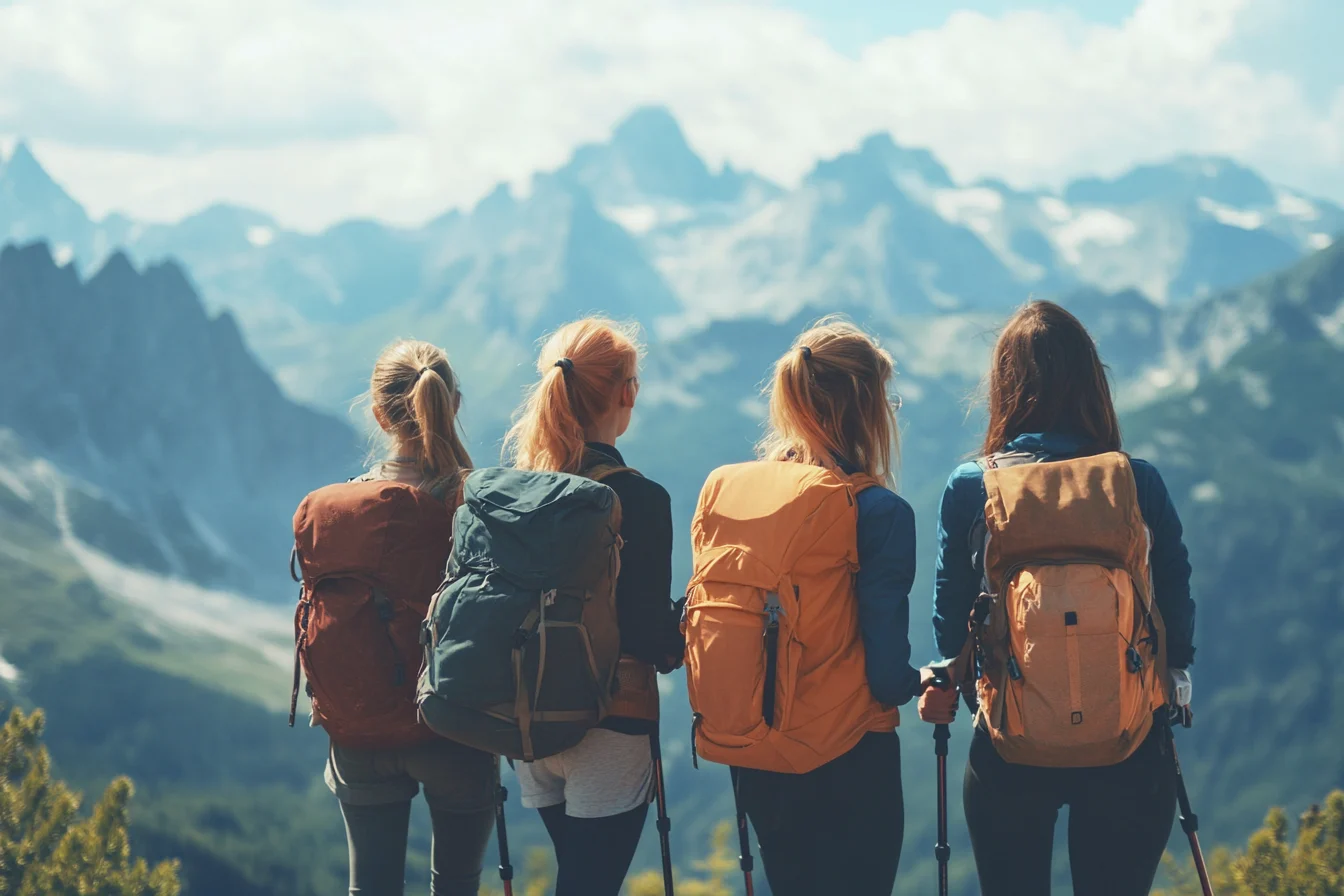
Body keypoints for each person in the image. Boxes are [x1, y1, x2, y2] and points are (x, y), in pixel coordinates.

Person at [919, 300, 1197, 896]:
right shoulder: (1135, 479)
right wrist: (1175, 676)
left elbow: (950, 626)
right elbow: (1173, 595)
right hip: (1130, 741)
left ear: (1006, 386)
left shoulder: (974, 486)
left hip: (1010, 746)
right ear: (1092, 383)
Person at [725, 320, 937, 895]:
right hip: (850, 758)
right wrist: (925, 681)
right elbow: (887, 679)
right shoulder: (881, 513)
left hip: (760, 749)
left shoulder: (748, 498)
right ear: (867, 405)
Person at [306, 340, 498, 896]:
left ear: (377, 414)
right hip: (453, 731)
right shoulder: (475, 503)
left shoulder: (335, 511)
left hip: (358, 730)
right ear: (453, 405)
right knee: (456, 886)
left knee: (371, 887)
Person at [502, 318, 685, 896]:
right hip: (608, 723)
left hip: (527, 724)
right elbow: (650, 636)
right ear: (626, 392)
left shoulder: (517, 489)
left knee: (577, 879)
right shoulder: (640, 498)